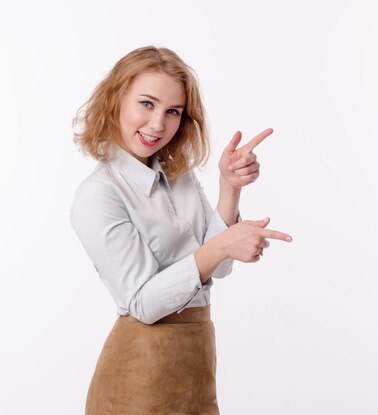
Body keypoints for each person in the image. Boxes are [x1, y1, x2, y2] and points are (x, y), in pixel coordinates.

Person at [70, 46, 292, 414]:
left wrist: (229, 186)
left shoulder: (178, 175)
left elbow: (218, 267)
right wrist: (221, 247)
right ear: (115, 100)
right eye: (146, 103)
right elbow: (143, 304)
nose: (158, 124)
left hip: (197, 365)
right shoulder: (98, 195)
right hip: (139, 374)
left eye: (172, 111)